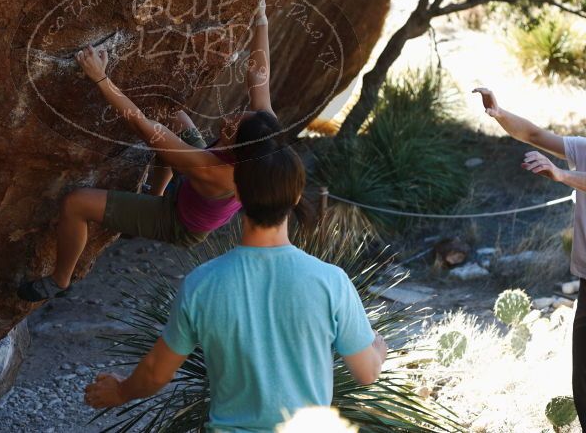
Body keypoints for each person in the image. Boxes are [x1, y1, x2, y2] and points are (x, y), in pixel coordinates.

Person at [83, 140, 388, 430]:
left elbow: (155, 374)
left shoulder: (202, 283)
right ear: (296, 197)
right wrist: (377, 345)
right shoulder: (331, 281)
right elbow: (367, 372)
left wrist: (120, 391)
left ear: (238, 194)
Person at [18, 0, 279, 301]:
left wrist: (101, 79)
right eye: (240, 113)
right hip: (191, 186)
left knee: (76, 203)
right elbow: (259, 77)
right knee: (173, 114)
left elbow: (141, 125)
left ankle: (60, 280)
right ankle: (153, 194)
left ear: (236, 149)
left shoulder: (215, 170)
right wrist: (262, 20)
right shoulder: (263, 131)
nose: (230, 116)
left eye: (233, 125)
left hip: (178, 221)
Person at [474, 87, 586, 428]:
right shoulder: (583, 148)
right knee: (582, 379)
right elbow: (535, 135)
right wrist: (501, 113)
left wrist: (562, 175)